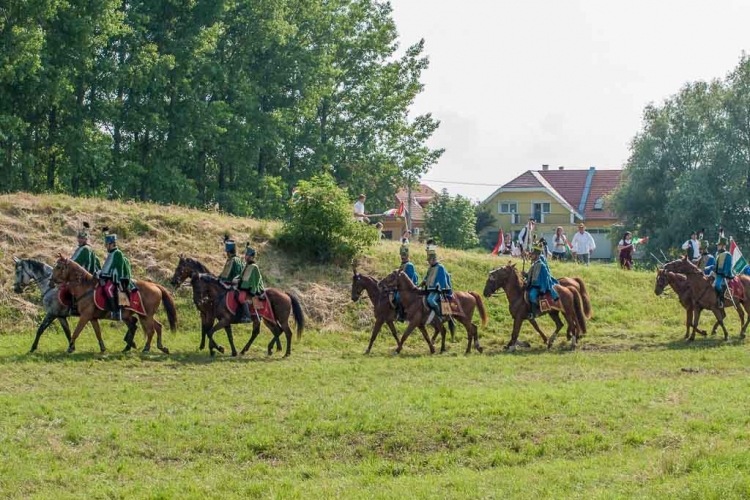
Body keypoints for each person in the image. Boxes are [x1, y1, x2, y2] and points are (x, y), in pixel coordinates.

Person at [98, 229, 131, 320]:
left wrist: (104, 275)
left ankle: (116, 311)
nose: (106, 246)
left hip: (119, 279)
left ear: (112, 244)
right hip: (112, 278)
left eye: (107, 244)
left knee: (107, 288)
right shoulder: (111, 253)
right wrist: (100, 273)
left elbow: (117, 270)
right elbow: (107, 268)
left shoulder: (117, 253)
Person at [526, 243, 559, 319]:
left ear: (537, 255)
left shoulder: (542, 265)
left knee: (531, 295)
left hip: (538, 287)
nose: (531, 256)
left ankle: (535, 313)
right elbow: (530, 275)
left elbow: (546, 278)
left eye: (533, 254)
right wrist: (524, 274)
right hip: (531, 285)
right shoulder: (534, 265)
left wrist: (543, 289)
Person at [422, 242, 452, 325]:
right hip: (429, 289)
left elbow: (442, 281)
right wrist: (424, 281)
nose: (428, 262)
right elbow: (427, 277)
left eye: (429, 260)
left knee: (430, 300)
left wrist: (437, 287)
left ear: (433, 259)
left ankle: (439, 315)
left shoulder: (440, 267)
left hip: (438, 290)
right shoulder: (431, 268)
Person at [235, 244, 265, 323]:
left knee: (242, 299)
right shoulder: (246, 266)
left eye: (247, 255)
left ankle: (248, 317)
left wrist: (252, 292)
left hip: (253, 288)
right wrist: (236, 280)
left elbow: (256, 280)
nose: (246, 256)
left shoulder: (254, 267)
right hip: (244, 288)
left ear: (252, 257)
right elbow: (241, 277)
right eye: (246, 255)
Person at [395, 244, 420, 321]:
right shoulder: (402, 265)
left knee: (398, 297)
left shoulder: (409, 265)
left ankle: (402, 315)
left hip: (409, 287)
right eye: (402, 255)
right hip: (402, 287)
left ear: (407, 256)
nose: (402, 257)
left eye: (404, 255)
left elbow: (409, 279)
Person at [712, 237, 733, 308]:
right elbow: (716, 265)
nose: (717, 246)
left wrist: (724, 273)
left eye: (719, 245)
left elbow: (728, 266)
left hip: (724, 275)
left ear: (724, 246)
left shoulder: (728, 254)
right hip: (717, 273)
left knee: (717, 284)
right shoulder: (717, 254)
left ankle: (721, 300)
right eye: (718, 245)